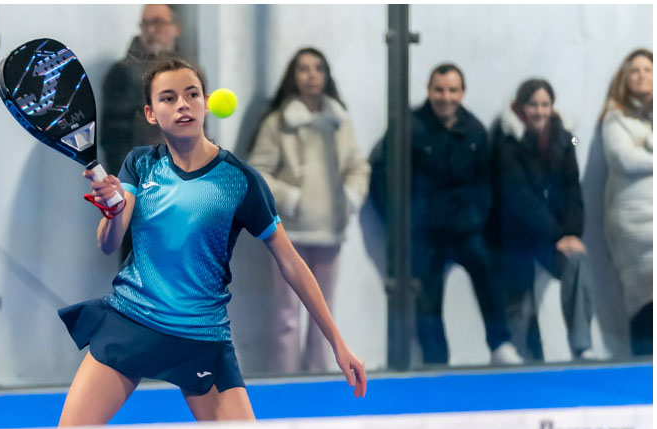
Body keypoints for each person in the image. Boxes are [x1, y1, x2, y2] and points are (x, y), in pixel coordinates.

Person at [0, 59, 366, 429]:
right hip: (130, 326)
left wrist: (337, 341)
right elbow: (109, 242)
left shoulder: (240, 181)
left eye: (192, 94)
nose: (182, 104)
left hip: (202, 341)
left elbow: (292, 264)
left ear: (205, 102)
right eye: (168, 98)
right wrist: (113, 206)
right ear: (150, 113)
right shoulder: (140, 165)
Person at [370, 64, 522, 366]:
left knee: (489, 270)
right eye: (439, 90)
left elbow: (486, 184)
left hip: (465, 228)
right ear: (428, 90)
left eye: (453, 90)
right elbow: (383, 182)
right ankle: (436, 361)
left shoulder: (475, 130)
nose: (446, 97)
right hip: (424, 233)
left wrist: (475, 218)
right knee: (427, 294)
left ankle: (500, 344)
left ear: (462, 93)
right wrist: (403, 225)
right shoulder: (408, 128)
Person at [248, 48, 371, 374]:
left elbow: (358, 167)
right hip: (289, 233)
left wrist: (347, 199)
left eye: (318, 68)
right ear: (293, 76)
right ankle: (285, 380)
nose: (312, 75)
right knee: (286, 314)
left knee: (324, 314)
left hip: (330, 230)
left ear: (327, 75)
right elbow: (257, 172)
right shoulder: (278, 123)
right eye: (304, 68)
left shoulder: (339, 120)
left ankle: (319, 377)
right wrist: (292, 199)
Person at [488, 78, 595, 361]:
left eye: (545, 104)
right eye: (533, 104)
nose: (539, 111)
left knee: (577, 262)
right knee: (520, 298)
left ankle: (582, 346)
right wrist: (558, 235)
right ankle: (522, 358)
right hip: (516, 236)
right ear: (521, 107)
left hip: (554, 237)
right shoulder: (506, 138)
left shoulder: (567, 138)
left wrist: (572, 234)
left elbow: (573, 188)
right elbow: (518, 197)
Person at [101, 4, 181, 263]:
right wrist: (129, 190)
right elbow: (114, 139)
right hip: (142, 195)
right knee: (139, 271)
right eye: (146, 23)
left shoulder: (188, 72)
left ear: (175, 28)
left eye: (158, 22)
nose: (151, 29)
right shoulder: (123, 73)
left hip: (183, 196)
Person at [600, 49, 653, 356]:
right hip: (634, 221)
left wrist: (647, 144)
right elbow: (623, 159)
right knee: (645, 294)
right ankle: (644, 365)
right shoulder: (615, 117)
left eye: (648, 69)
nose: (642, 76)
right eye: (635, 70)